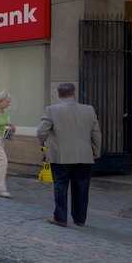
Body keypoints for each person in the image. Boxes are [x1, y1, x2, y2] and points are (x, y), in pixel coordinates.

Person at [38, 82, 102, 227]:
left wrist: (44, 144)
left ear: (59, 95)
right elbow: (96, 133)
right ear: (75, 94)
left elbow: (41, 132)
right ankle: (79, 219)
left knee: (60, 187)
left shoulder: (51, 110)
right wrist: (95, 151)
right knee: (81, 188)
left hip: (61, 156)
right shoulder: (89, 110)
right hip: (84, 155)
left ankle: (60, 217)